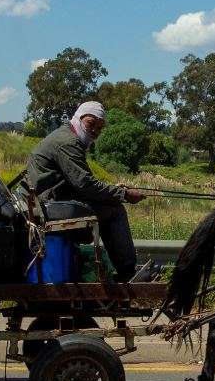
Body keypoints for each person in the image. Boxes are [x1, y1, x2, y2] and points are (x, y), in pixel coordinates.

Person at [26, 101, 145, 281]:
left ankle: (123, 270)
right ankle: (128, 271)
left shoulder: (68, 137)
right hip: (53, 205)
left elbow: (83, 181)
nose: (95, 130)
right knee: (115, 211)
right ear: (79, 118)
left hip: (55, 200)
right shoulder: (68, 142)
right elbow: (85, 184)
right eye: (91, 123)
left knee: (110, 204)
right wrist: (124, 194)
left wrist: (115, 190)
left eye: (100, 127)